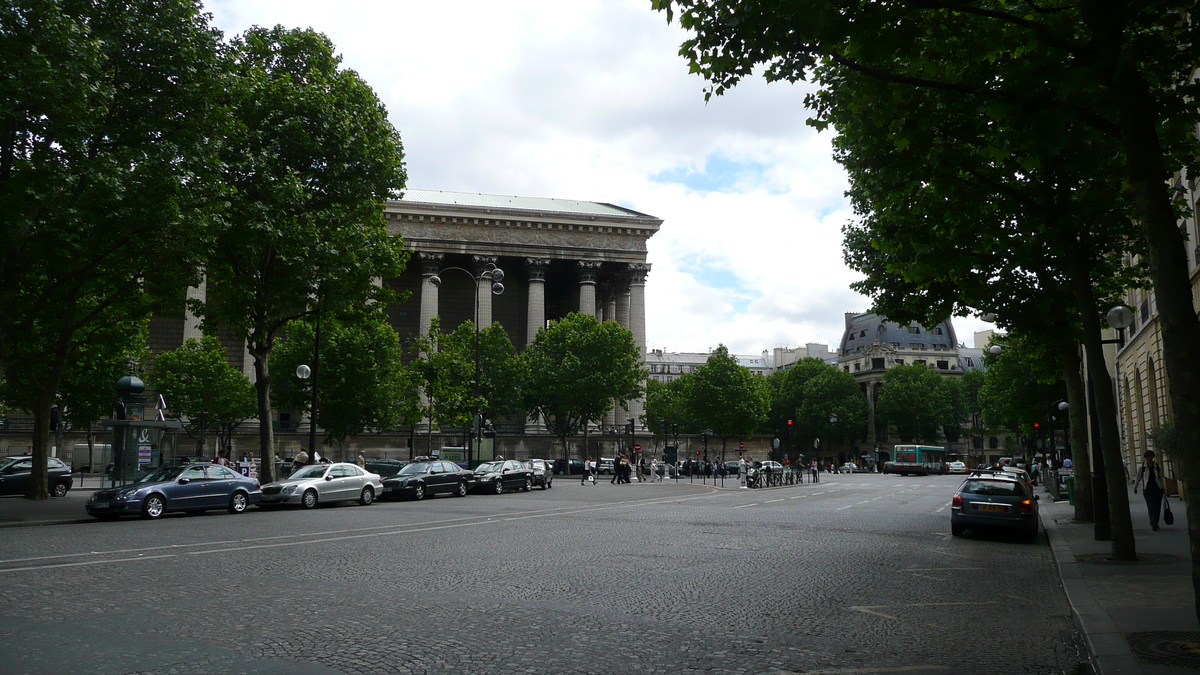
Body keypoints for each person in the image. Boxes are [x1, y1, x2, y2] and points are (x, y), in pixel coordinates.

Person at [1134, 450, 1167, 531]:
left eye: (1151, 456)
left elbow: (1160, 478)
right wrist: (1135, 487)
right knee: (1151, 506)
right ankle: (1153, 523)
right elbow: (1138, 478)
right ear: (1145, 457)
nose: (1149, 458)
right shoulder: (1142, 467)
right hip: (1147, 489)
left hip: (1157, 489)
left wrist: (1164, 488)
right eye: (1148, 456)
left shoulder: (1157, 466)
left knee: (1157, 506)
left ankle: (1156, 521)